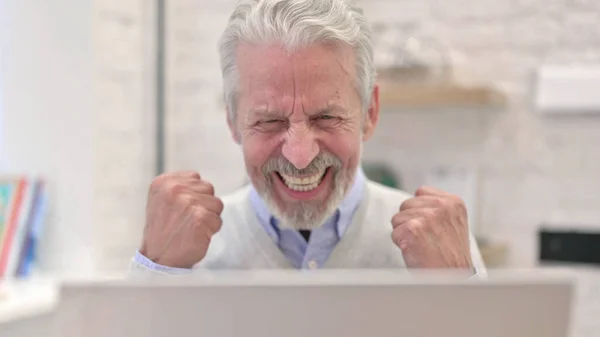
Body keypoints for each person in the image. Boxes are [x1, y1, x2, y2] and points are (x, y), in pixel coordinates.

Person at [130, 0, 486, 276]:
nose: (300, 156)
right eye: (269, 121)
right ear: (232, 120)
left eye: (327, 117)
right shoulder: (182, 252)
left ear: (370, 112)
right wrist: (154, 274)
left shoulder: (438, 248)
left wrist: (458, 292)